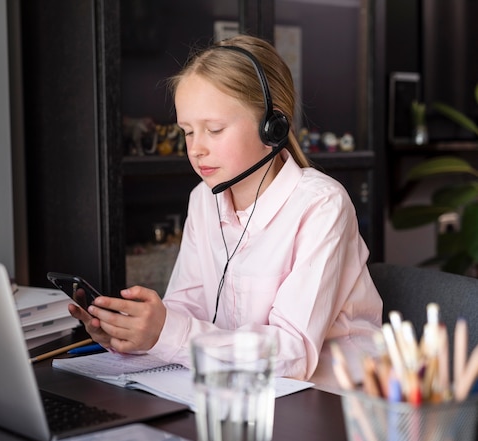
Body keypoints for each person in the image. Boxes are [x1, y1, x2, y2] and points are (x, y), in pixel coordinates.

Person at [68, 34, 382, 386]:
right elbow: (188, 312)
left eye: (214, 130)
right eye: (187, 132)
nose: (196, 149)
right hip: (245, 390)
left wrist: (168, 332)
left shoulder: (322, 204)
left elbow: (293, 353)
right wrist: (137, 335)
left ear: (272, 125)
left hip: (334, 400)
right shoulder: (204, 199)